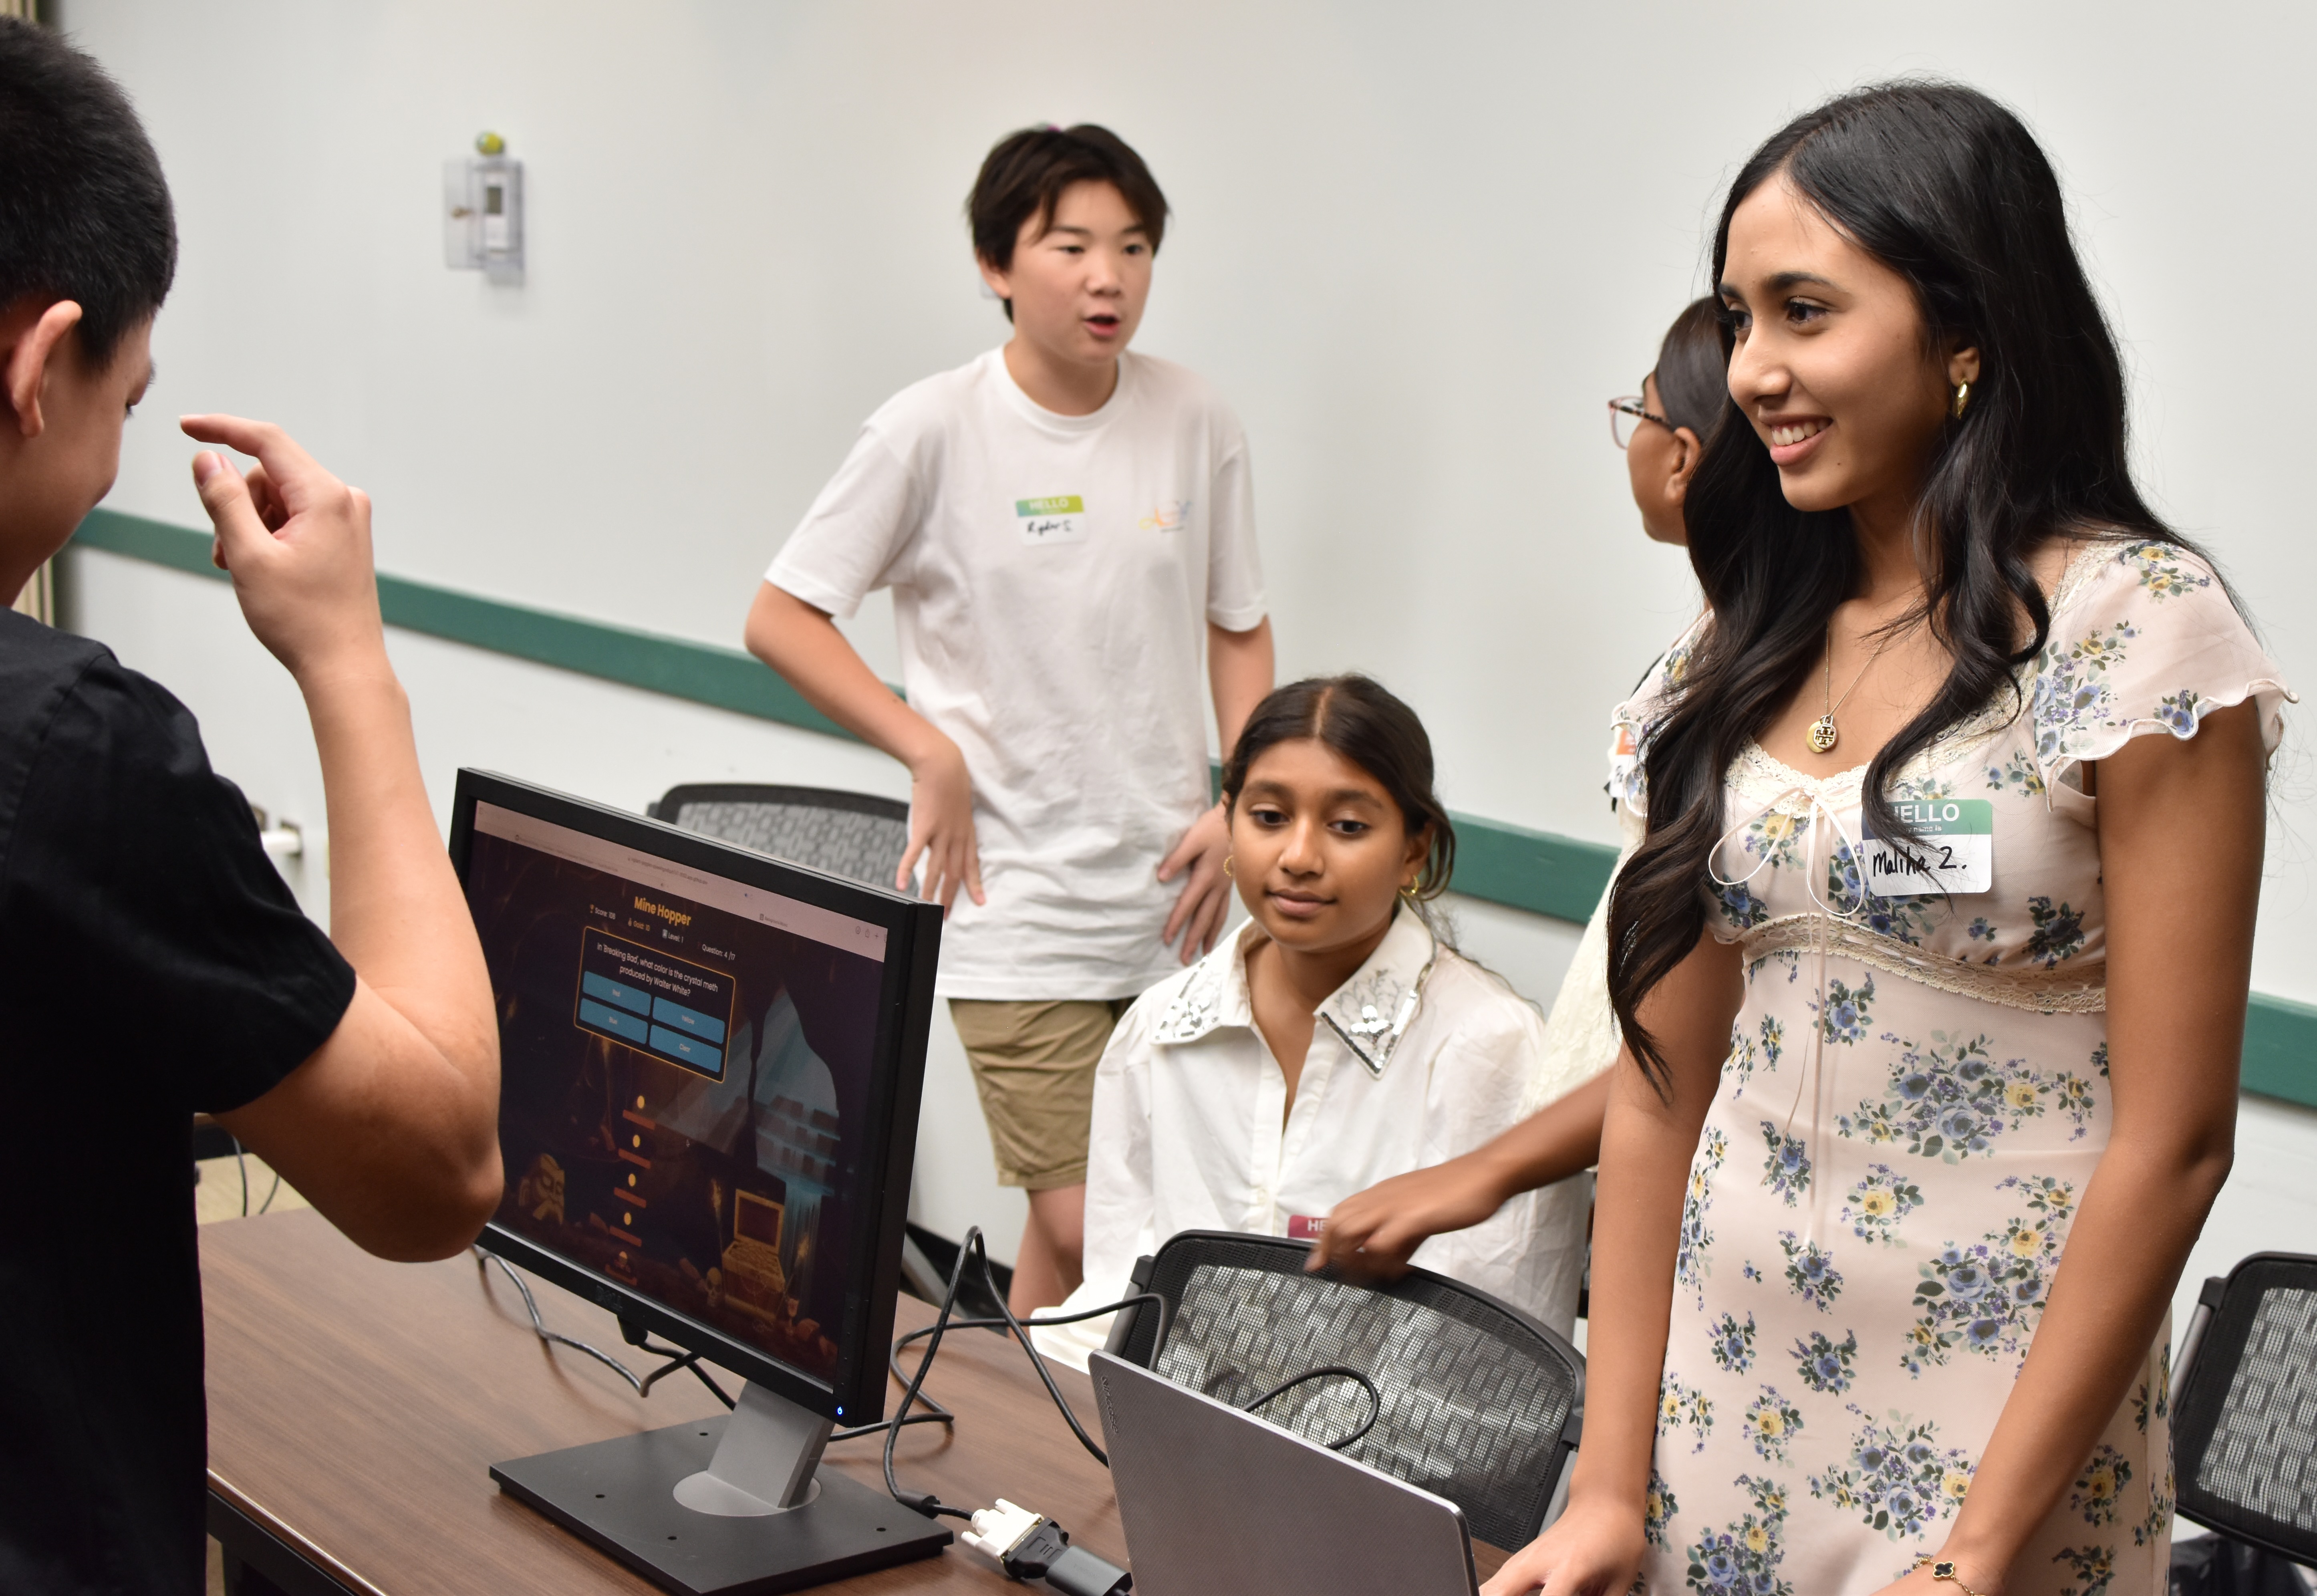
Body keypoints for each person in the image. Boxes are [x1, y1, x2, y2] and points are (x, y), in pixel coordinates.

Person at [1487, 82, 2285, 1596]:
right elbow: (1660, 1091)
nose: (1755, 372)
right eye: (1738, 319)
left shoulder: (2134, 640)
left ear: (1964, 334)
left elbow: (2176, 1143)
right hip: (1715, 1409)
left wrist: (1980, 1551)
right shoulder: (1726, 660)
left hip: (1990, 1444)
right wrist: (1603, 1486)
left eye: (1804, 311)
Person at [0, 22, 502, 1592]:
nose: (103, 465)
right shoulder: (68, 750)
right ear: (37, 365)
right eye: (122, 404)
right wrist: (349, 661)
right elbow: (440, 1165)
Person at [745, 124, 1273, 1316]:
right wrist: (925, 746)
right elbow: (782, 617)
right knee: (1097, 1219)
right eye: (1072, 245)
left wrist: (1242, 800)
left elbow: (1238, 625)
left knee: (1098, 1224)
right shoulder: (931, 430)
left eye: (1134, 248)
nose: (1109, 277)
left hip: (1173, 896)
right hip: (1014, 903)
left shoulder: (1197, 419)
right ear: (996, 263)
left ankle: (1020, 1454)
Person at [1310, 298, 1724, 1281]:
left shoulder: (1754, 675)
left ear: (1684, 457)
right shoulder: (1711, 645)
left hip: (1663, 1119)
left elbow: (1705, 1020)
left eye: (1646, 411)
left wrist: (1485, 1170)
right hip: (1622, 1113)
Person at [1030, 675, 1596, 1372]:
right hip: (1163, 1429)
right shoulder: (1159, 1031)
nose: (1299, 857)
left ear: (1415, 849)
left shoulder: (1487, 1048)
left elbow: (1485, 1371)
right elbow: (1121, 1300)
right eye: (1269, 817)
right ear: (1230, 822)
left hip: (1380, 1458)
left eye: (1348, 826)